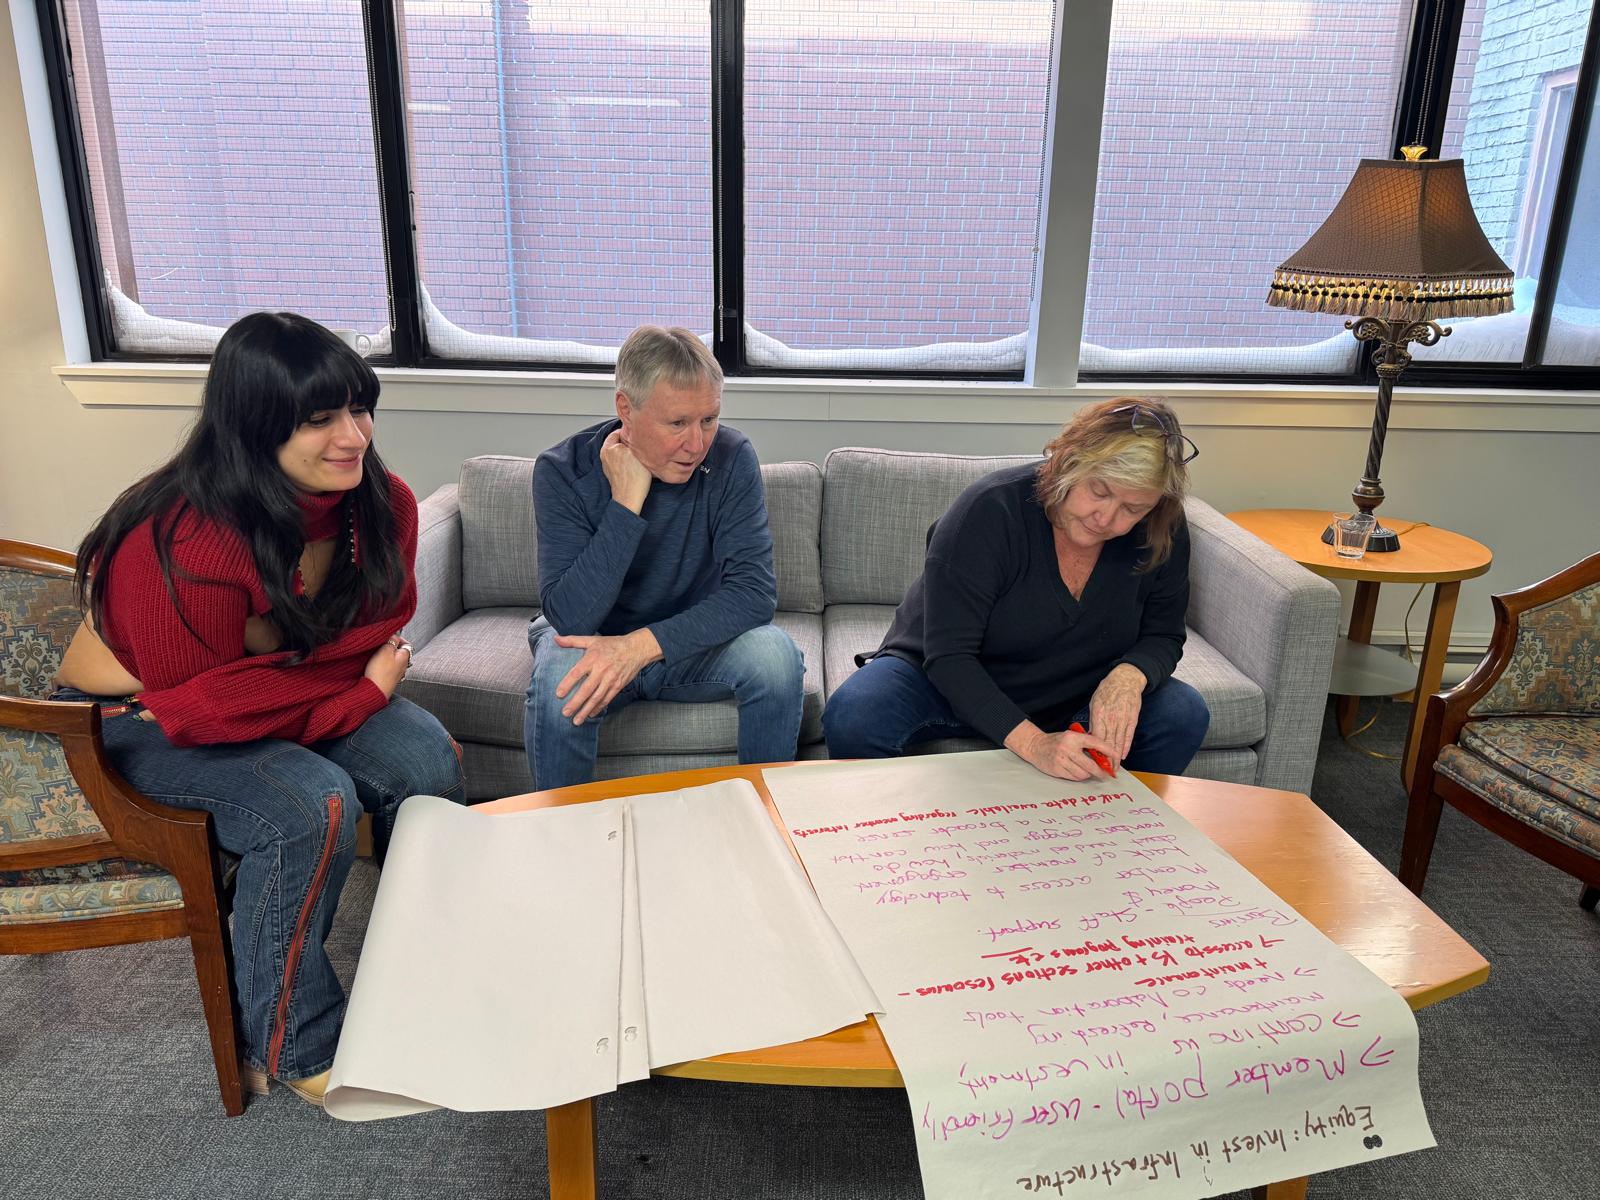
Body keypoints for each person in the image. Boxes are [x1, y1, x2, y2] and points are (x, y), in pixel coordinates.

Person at [52, 311, 465, 1107]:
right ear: (254, 425)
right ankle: (297, 1042)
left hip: (279, 690)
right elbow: (203, 712)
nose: (353, 436)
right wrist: (361, 690)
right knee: (309, 805)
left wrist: (283, 666)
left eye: (360, 409)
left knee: (426, 761)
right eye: (320, 419)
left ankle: (426, 973)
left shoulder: (382, 504)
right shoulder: (183, 537)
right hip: (136, 719)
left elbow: (375, 630)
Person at [823, 397, 1209, 781]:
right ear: (1069, 463)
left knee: (1181, 712)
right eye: (1100, 491)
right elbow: (950, 658)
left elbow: (1163, 634)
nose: (1107, 519)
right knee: (855, 715)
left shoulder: (1162, 527)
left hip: (1076, 687)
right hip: (942, 678)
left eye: (1133, 508)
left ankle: (1111, 817)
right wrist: (1035, 744)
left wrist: (1129, 676)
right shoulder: (988, 511)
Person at [524, 325, 804, 790]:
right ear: (626, 410)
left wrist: (638, 647)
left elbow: (754, 594)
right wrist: (626, 503)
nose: (697, 444)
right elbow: (571, 618)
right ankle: (565, 833)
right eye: (677, 424)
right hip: (593, 639)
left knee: (777, 659)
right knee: (561, 689)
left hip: (689, 645)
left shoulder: (732, 457)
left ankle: (764, 817)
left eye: (709, 420)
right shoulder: (561, 471)